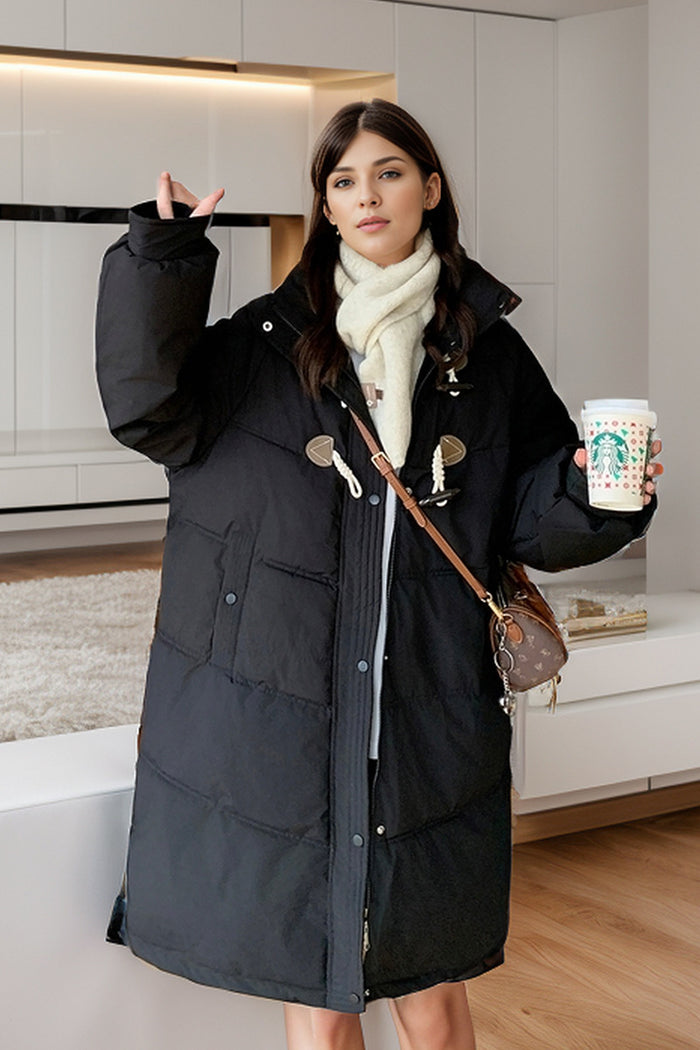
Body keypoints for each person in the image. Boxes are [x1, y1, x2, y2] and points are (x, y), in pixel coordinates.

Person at [96, 98, 661, 1050]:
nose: (367, 196)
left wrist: (605, 495)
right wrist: (163, 256)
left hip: (425, 700)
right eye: (344, 179)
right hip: (286, 701)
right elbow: (148, 411)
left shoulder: (488, 352)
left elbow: (530, 513)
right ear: (325, 203)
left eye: (389, 173)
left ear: (430, 189)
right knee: (317, 995)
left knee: (433, 995)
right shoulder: (263, 345)